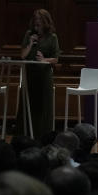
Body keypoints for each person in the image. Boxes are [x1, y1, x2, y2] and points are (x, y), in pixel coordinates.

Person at [20, 9, 60, 140]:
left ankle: (43, 136)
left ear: (45, 21)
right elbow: (23, 56)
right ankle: (26, 135)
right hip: (30, 74)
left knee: (43, 106)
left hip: (44, 76)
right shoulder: (29, 34)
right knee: (29, 104)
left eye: (39, 19)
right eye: (35, 19)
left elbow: (55, 59)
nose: (37, 22)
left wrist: (44, 59)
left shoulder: (52, 37)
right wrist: (31, 43)